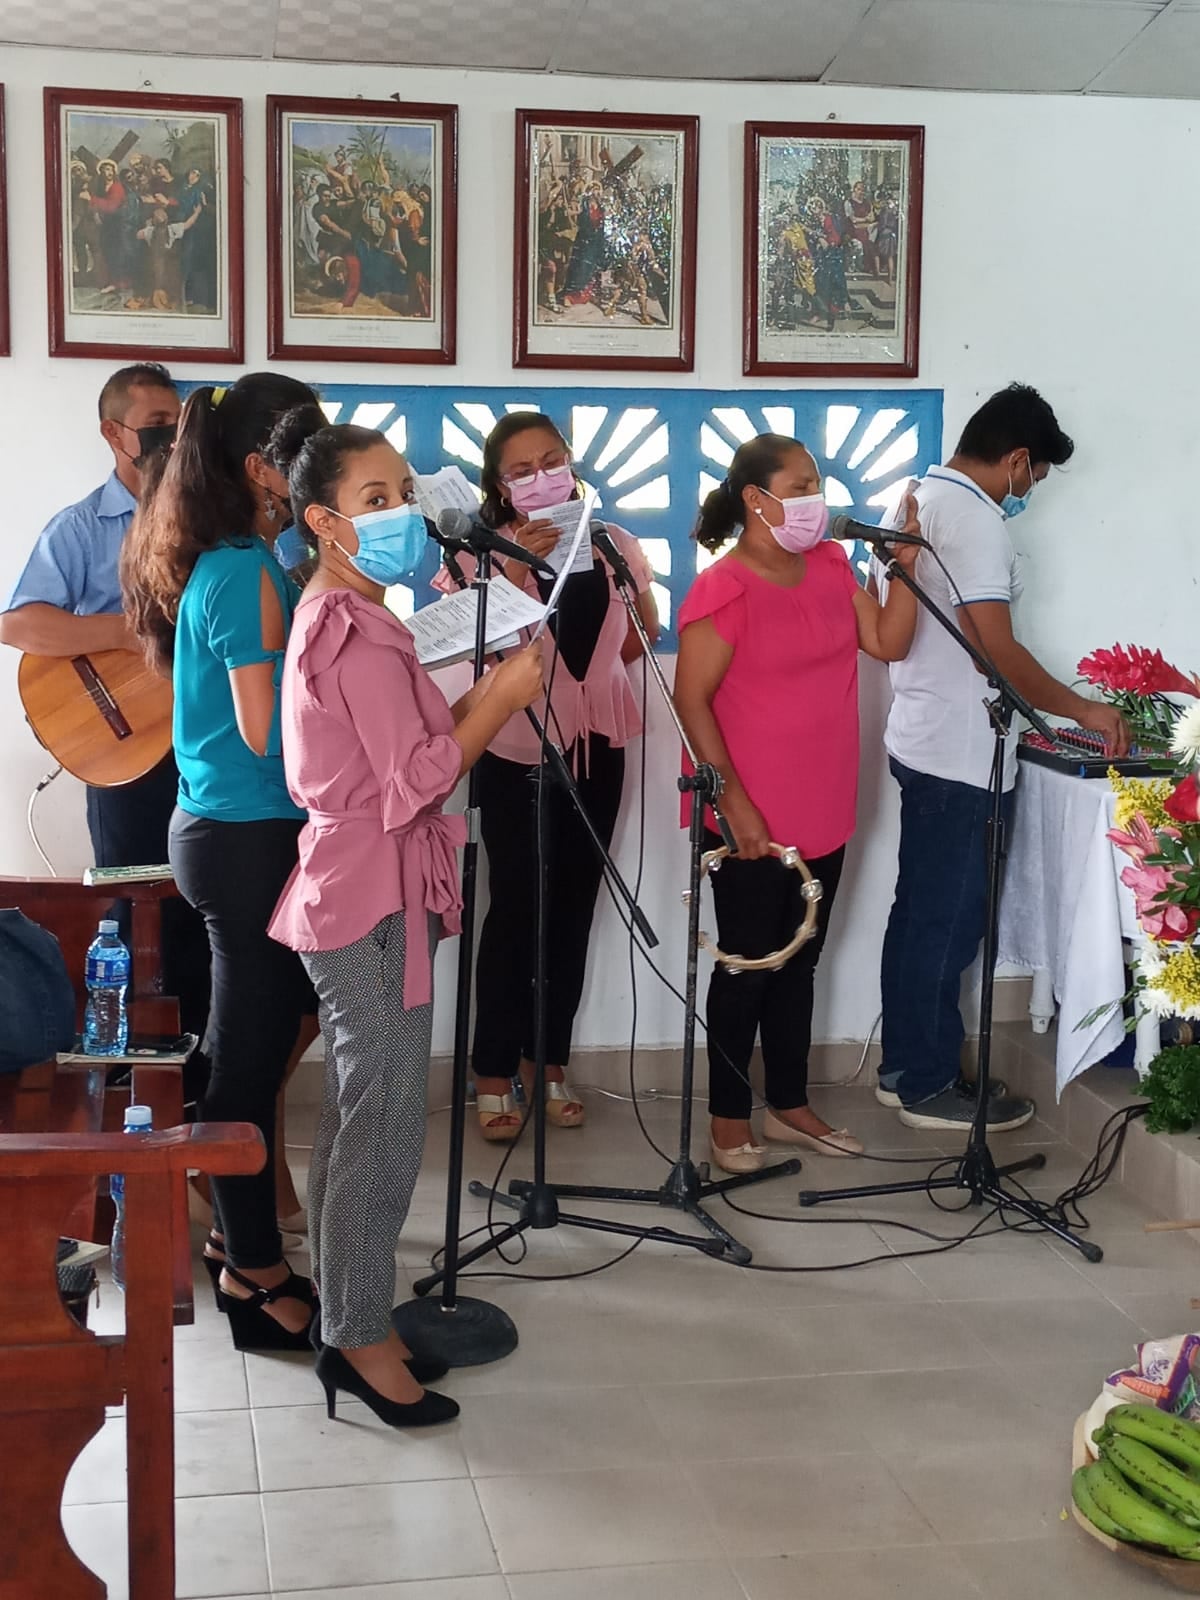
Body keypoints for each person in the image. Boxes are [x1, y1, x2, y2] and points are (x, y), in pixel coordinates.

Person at [266, 417, 543, 1425]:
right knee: (381, 1125)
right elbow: (412, 783)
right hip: (368, 893)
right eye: (374, 500)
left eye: (402, 494)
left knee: (360, 1114)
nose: (400, 515)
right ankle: (358, 1336)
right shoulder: (349, 627)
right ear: (324, 521)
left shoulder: (358, 614)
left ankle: (351, 1311)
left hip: (369, 885)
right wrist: (504, 692)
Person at [122, 373, 327, 1352]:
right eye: (306, 457)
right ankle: (254, 1270)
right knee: (246, 1060)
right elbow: (262, 731)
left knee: (263, 1030)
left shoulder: (245, 557)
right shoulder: (245, 569)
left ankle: (229, 1245)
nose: (316, 475)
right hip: (244, 837)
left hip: (232, 832)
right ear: (261, 468)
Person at [872, 384, 1130, 1132]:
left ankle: (902, 1068)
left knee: (918, 913)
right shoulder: (977, 521)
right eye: (1035, 478)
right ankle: (926, 1081)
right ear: (1018, 459)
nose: (1029, 494)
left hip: (922, 738)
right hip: (955, 756)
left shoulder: (918, 498)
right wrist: (1082, 708)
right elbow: (994, 650)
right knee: (948, 923)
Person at [674, 433, 921, 1174]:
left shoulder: (829, 563)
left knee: (800, 962)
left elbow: (885, 640)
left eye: (816, 482)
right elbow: (691, 700)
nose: (816, 497)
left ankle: (788, 1103)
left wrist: (902, 570)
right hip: (749, 817)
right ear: (757, 499)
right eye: (800, 483)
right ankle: (725, 1120)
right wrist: (738, 807)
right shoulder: (725, 587)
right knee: (748, 965)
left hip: (824, 803)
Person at [437, 412, 659, 1139]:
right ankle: (492, 1069)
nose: (541, 477)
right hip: (517, 751)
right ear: (497, 486)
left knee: (575, 908)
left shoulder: (613, 541)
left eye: (552, 461)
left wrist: (630, 599)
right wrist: (508, 567)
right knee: (518, 911)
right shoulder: (476, 557)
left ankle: (549, 1060)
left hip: (600, 744)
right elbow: (470, 651)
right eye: (522, 469)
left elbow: (641, 639)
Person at [0, 364, 214, 1047]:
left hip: (208, 742)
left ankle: (199, 1082)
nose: (166, 442)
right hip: (122, 746)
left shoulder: (211, 519)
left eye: (174, 428)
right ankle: (122, 1070)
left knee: (202, 912)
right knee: (132, 906)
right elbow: (19, 623)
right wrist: (122, 632)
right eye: (153, 428)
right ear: (111, 432)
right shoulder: (81, 527)